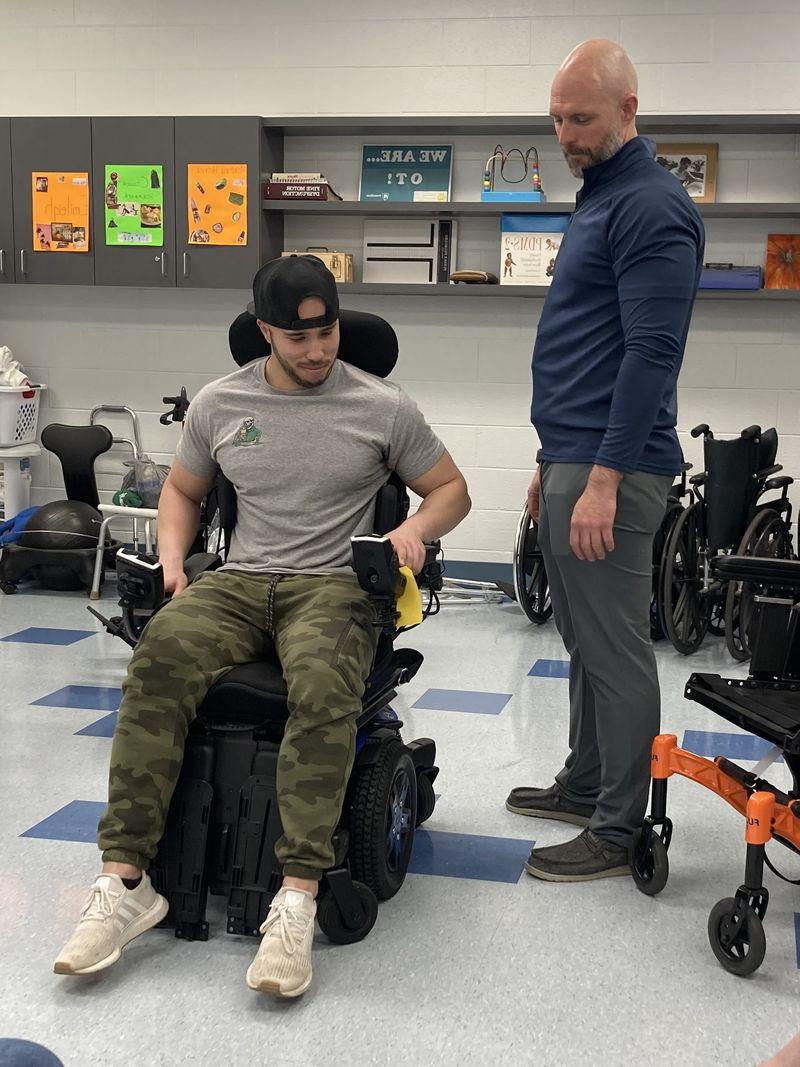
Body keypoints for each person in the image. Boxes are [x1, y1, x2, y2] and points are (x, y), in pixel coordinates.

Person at [54, 255, 471, 996]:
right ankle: (125, 882)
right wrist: (177, 562)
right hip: (240, 582)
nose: (316, 350)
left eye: (328, 331)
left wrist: (418, 529)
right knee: (157, 658)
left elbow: (451, 490)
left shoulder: (383, 405)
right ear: (264, 333)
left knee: (320, 685)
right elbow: (183, 490)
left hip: (332, 586)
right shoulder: (221, 402)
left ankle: (297, 893)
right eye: (296, 336)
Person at [506, 39, 704, 881]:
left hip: (610, 471)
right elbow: (589, 345)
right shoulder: (600, 198)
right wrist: (553, 460)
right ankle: (587, 780)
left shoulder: (650, 206)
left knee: (616, 648)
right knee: (584, 638)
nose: (564, 133)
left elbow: (651, 354)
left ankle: (621, 828)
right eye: (555, 117)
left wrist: (604, 476)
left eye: (580, 117)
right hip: (574, 459)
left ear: (629, 108)